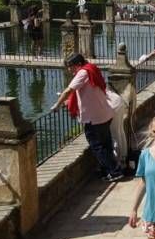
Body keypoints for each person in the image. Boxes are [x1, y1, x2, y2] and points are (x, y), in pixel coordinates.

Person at [51, 53, 123, 182]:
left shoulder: (82, 73)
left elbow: (69, 90)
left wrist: (57, 105)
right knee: (106, 144)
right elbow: (88, 93)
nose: (69, 69)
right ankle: (110, 169)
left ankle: (114, 171)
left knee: (97, 146)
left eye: (70, 66)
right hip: (104, 113)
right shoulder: (91, 68)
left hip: (94, 118)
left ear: (78, 64)